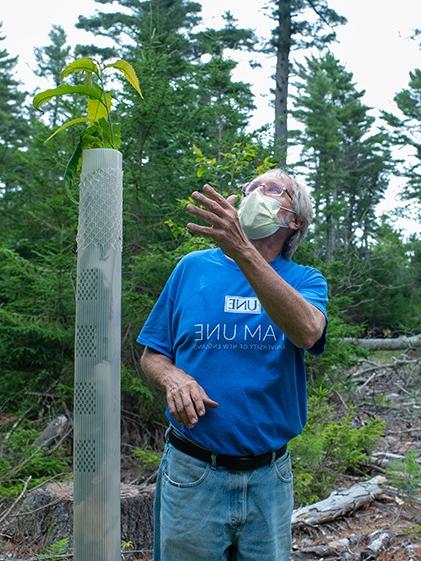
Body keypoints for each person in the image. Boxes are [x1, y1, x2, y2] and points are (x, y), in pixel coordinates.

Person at [137, 169, 328, 561]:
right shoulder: (192, 269)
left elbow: (308, 332)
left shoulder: (306, 281)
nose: (256, 193)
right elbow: (152, 355)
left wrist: (243, 252)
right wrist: (173, 377)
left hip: (268, 480)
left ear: (294, 221)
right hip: (193, 471)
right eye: (251, 187)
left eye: (273, 189)